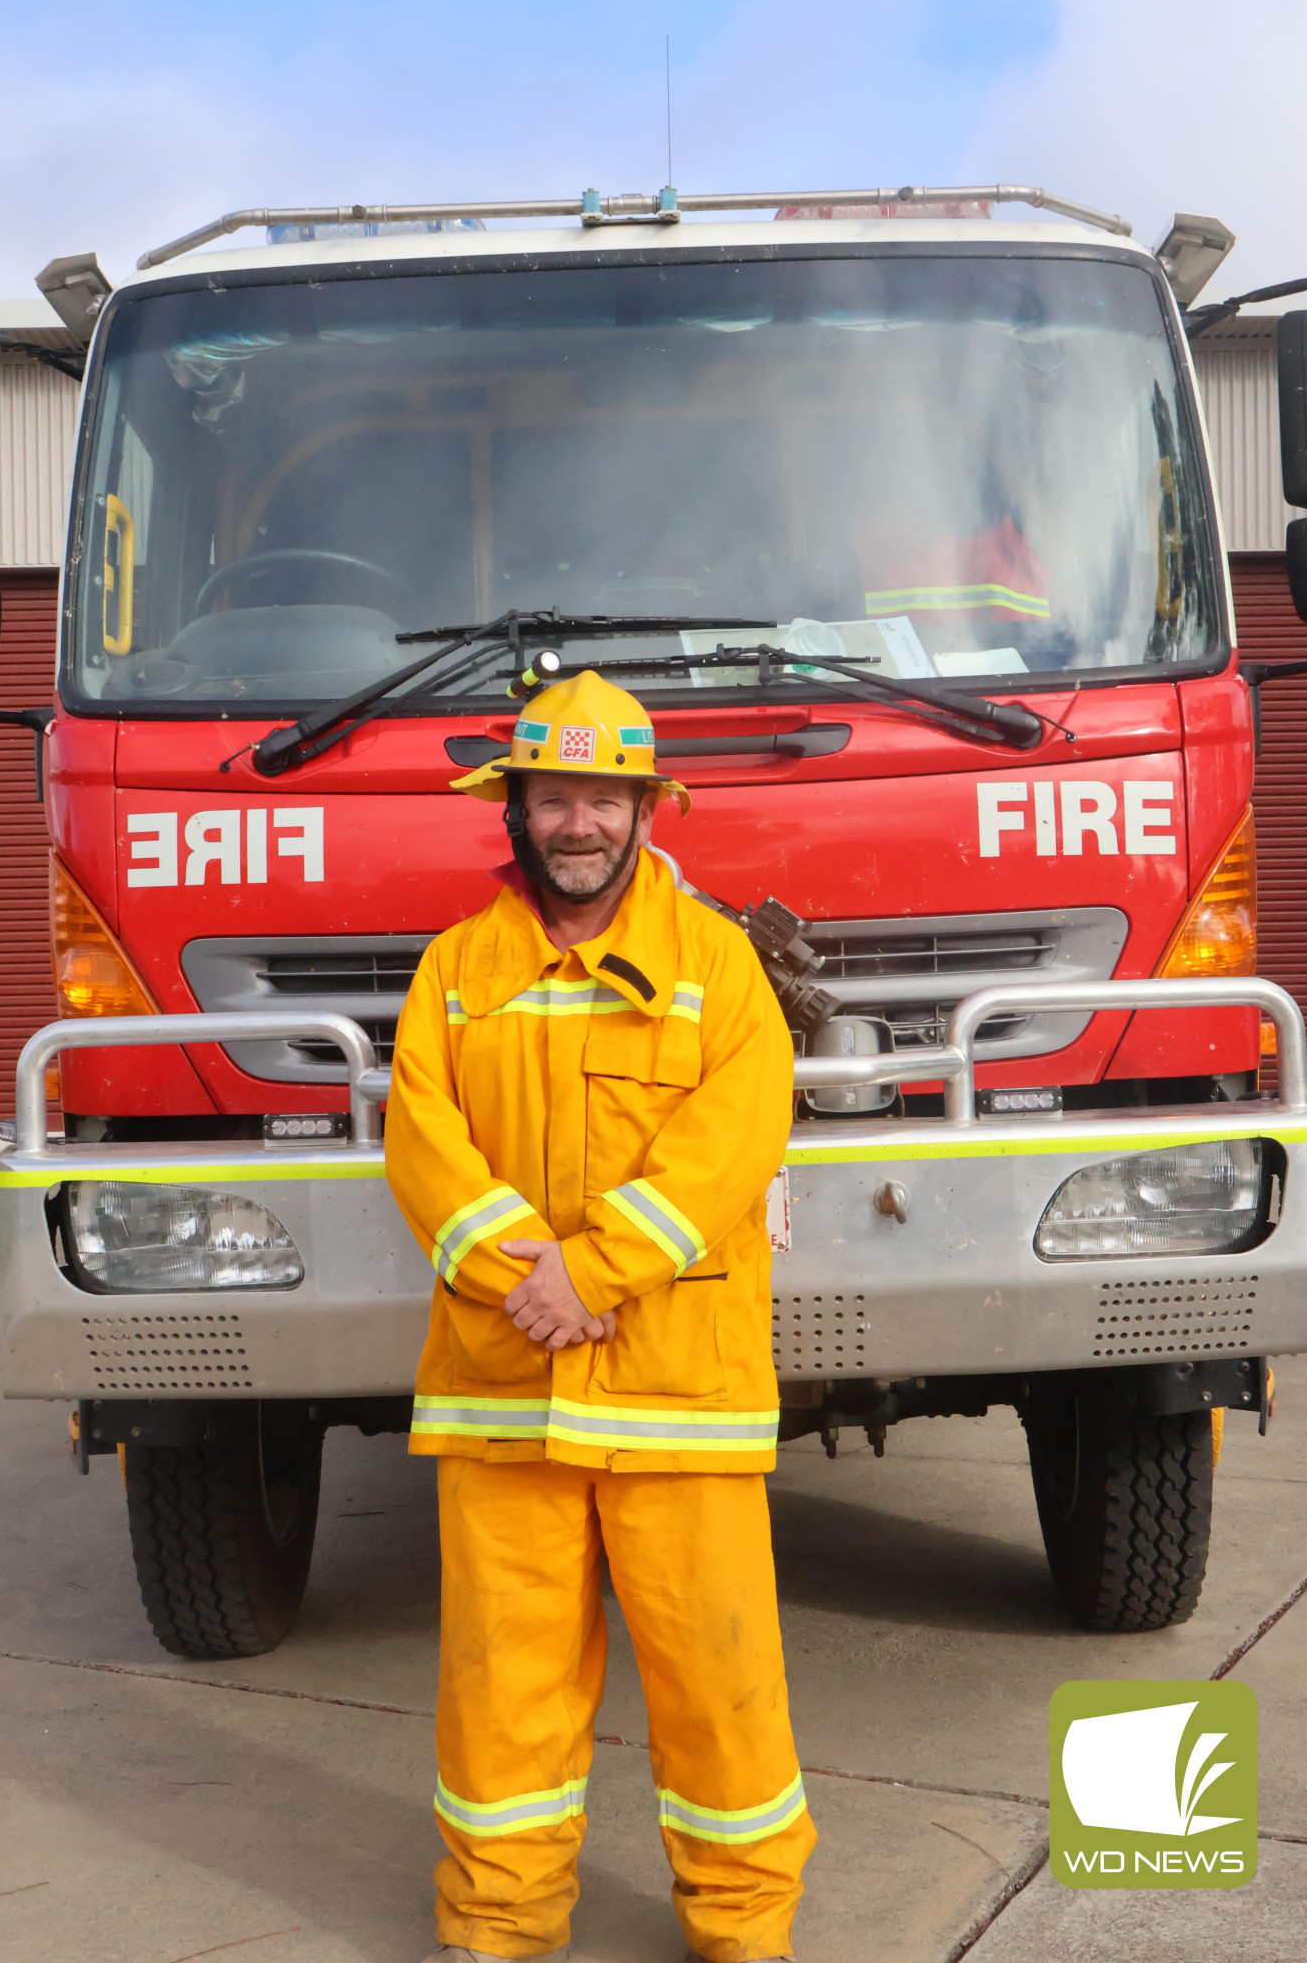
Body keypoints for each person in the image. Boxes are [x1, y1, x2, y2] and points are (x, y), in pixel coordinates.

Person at [384, 668, 814, 1963]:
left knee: (719, 1692)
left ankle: (743, 1932)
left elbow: (731, 1144)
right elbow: (421, 1142)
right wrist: (531, 1273)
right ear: (512, 809)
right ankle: (496, 1928)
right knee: (499, 1698)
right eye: (553, 797)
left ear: (643, 809)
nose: (579, 823)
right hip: (503, 1390)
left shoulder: (718, 970)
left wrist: (595, 1271)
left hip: (678, 1399)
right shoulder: (456, 973)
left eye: (602, 799)